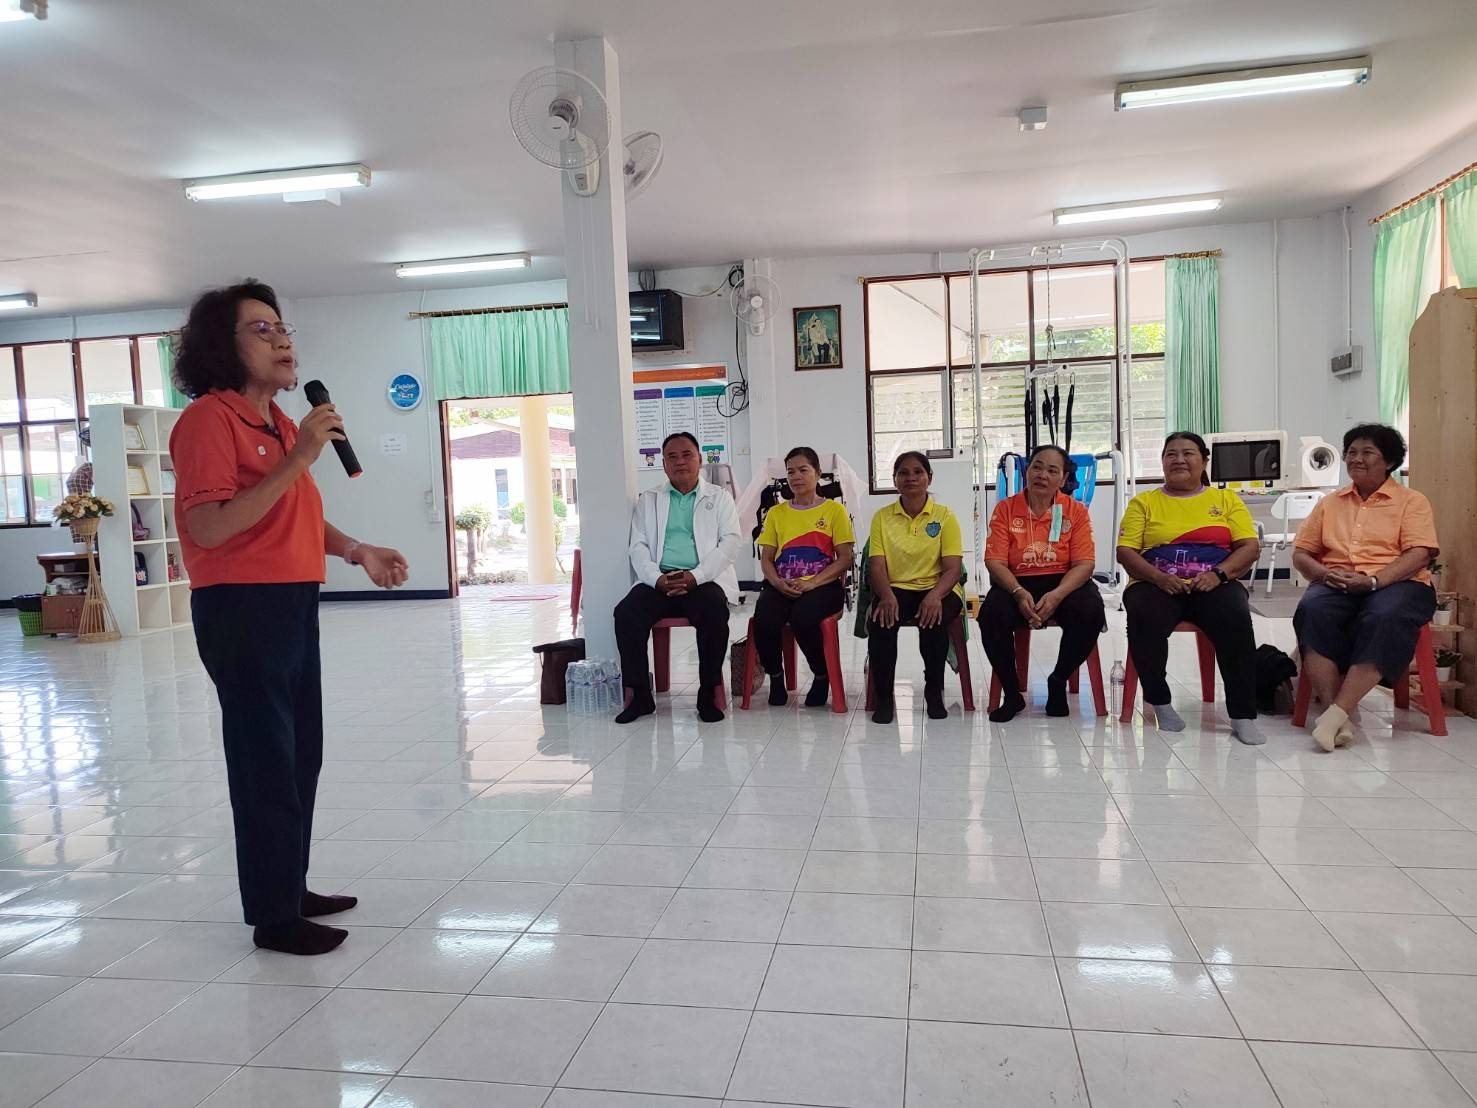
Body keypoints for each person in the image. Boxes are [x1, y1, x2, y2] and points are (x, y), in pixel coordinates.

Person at [170, 280, 409, 957]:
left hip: (292, 599)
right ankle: (273, 918)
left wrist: (356, 549)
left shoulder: (277, 422)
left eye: (283, 328)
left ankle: (289, 887)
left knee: (301, 754)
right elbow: (210, 526)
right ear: (221, 347)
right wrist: (302, 456)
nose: (282, 340)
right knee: (264, 762)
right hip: (241, 607)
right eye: (262, 329)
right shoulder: (208, 421)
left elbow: (287, 510)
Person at [1291, 423, 1439, 751]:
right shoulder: (1330, 503)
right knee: (1312, 610)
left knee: (1385, 615)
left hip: (1399, 582)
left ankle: (1335, 714)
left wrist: (1374, 581)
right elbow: (1301, 553)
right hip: (1337, 581)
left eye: (1367, 452)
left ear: (1389, 461)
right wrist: (1324, 575)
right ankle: (1335, 711)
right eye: (1352, 452)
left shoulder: (1411, 501)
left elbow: (1419, 553)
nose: (1356, 459)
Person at [1116, 431, 1263, 744]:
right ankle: (1160, 702)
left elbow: (1249, 547)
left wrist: (1218, 575)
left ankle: (1243, 714)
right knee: (1143, 614)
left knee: (1235, 616)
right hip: (1155, 583)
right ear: (1162, 462)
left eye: (1188, 453)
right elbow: (1125, 551)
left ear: (1204, 461)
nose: (1179, 460)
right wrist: (1158, 577)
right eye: (1171, 454)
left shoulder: (1225, 500)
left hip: (1214, 583)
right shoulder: (1144, 503)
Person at [616, 431, 742, 724]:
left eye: (687, 455)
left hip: (703, 581)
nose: (680, 462)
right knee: (626, 613)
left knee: (714, 612)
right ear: (663, 464)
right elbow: (638, 546)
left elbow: (731, 543)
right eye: (672, 457)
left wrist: (695, 576)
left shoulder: (720, 498)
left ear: (700, 459)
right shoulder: (649, 500)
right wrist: (655, 579)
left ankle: (708, 694)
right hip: (659, 581)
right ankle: (640, 695)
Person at [980, 444, 1104, 722]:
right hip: (1016, 581)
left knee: (1090, 610)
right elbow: (994, 561)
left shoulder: (1075, 511)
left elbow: (1084, 564)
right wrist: (1017, 591)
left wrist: (1058, 595)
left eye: (1052, 470)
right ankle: (1012, 693)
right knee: (991, 614)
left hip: (1064, 581)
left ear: (1063, 478)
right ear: (1027, 471)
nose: (1042, 475)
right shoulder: (1006, 509)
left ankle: (1058, 679)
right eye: (1037, 467)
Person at [866, 451, 964, 724]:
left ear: (929, 478)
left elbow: (953, 568)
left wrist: (934, 596)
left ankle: (934, 691)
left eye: (918, 472)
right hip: (896, 587)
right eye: (903, 473)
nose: (911, 478)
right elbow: (877, 566)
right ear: (895, 480)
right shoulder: (882, 517)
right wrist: (886, 596)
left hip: (938, 587)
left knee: (934, 619)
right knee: (881, 622)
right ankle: (884, 698)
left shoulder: (945, 516)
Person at [753, 446, 855, 707]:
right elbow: (766, 558)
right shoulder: (776, 513)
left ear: (818, 474)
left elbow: (845, 558)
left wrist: (812, 583)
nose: (796, 477)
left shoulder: (834, 511)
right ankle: (776, 677)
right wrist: (777, 582)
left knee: (803, 618)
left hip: (823, 585)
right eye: (790, 472)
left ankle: (821, 675)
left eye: (803, 470)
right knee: (765, 617)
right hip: (782, 583)